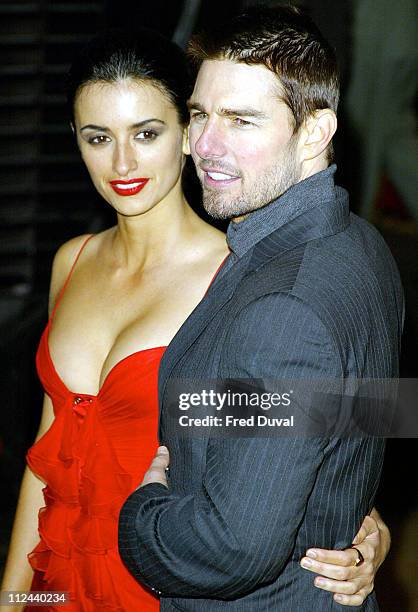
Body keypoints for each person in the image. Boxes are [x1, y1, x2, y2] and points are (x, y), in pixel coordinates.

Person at [1, 26, 388, 612]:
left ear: (185, 135)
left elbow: (343, 403)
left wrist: (352, 511)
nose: (122, 161)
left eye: (147, 133)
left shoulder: (233, 275)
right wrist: (14, 596)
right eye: (98, 137)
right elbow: (47, 450)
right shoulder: (71, 261)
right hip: (57, 577)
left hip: (159, 580)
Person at [118, 7, 403, 612]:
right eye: (199, 115)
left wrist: (141, 516)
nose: (204, 147)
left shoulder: (285, 305)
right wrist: (338, 500)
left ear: (315, 132)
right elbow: (367, 406)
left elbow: (231, 550)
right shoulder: (362, 244)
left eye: (241, 121)